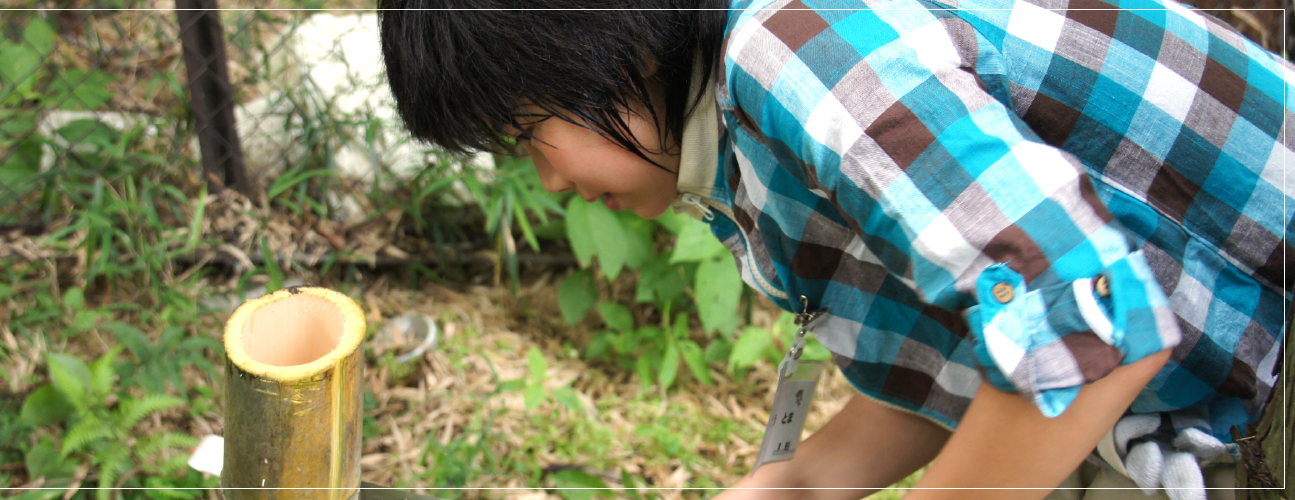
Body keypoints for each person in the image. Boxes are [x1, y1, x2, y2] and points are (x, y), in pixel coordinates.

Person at [377, 0, 1292, 498]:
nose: (546, 180)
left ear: (601, 52)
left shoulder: (797, 43)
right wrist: (790, 485)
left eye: (529, 132)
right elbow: (981, 364)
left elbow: (1086, 322)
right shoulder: (739, 153)